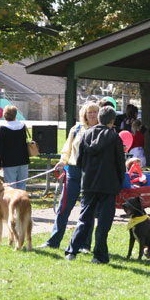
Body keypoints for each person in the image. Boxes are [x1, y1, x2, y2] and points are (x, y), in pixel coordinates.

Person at [65, 106, 125, 264]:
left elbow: (79, 161)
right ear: (112, 121)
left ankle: (71, 251)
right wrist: (119, 184)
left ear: (99, 118)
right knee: (104, 222)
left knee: (84, 218)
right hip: (108, 184)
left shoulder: (86, 134)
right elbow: (120, 164)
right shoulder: (115, 138)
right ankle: (99, 255)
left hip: (89, 183)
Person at [38, 102, 100, 250]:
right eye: (89, 112)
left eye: (95, 112)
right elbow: (67, 149)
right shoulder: (76, 129)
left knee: (88, 211)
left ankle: (85, 245)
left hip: (91, 174)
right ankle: (53, 241)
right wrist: (61, 162)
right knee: (63, 208)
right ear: (84, 114)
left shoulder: (101, 130)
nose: (92, 114)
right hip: (73, 171)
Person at [0, 105, 30, 190]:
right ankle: (22, 203)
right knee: (22, 186)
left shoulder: (3, 129)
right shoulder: (22, 126)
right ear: (15, 114)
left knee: (11, 187)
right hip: (23, 160)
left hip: (9, 162)